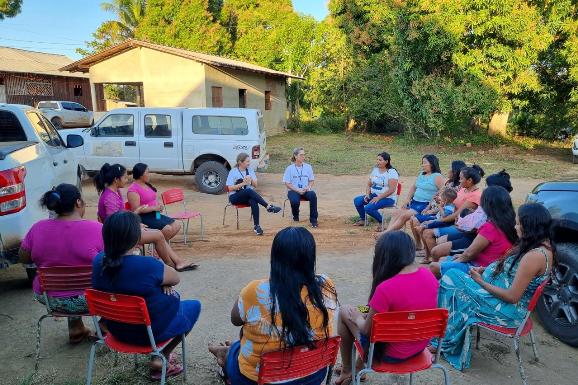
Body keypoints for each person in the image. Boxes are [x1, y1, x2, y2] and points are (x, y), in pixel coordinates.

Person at [208, 227, 337, 385]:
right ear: (311, 257)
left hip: (260, 379)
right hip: (312, 374)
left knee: (243, 338)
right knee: (245, 340)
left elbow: (235, 319)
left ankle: (227, 355)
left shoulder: (255, 290)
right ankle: (228, 352)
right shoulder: (325, 284)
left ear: (275, 257)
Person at [435, 203, 554, 370]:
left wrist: (481, 281)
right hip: (501, 299)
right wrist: (485, 271)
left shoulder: (534, 256)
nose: (515, 226)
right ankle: (443, 335)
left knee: (450, 279)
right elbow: (512, 274)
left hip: (506, 311)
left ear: (530, 226)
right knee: (453, 278)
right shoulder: (538, 246)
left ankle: (445, 342)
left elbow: (513, 296)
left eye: (518, 223)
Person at [92, 211, 202, 380]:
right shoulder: (147, 265)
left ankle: (160, 355)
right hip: (149, 334)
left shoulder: (98, 262)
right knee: (194, 306)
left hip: (116, 331)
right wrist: (163, 281)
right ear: (136, 238)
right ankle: (161, 355)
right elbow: (175, 277)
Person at [334, 231, 439, 385]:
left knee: (345, 311)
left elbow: (367, 331)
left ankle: (347, 370)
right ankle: (357, 368)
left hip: (390, 354)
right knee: (372, 320)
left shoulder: (386, 288)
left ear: (384, 256)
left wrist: (357, 318)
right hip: (418, 347)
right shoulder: (429, 275)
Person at [19, 184, 103, 344]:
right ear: (78, 202)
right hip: (91, 300)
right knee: (114, 275)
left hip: (51, 300)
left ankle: (76, 328)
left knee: (69, 278)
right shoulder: (98, 229)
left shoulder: (37, 228)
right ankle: (105, 325)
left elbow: (24, 258)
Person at [94, 163, 198, 271]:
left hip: (127, 227)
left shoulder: (115, 192)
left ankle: (176, 263)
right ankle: (170, 265)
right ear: (116, 179)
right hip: (120, 235)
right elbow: (115, 223)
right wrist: (136, 219)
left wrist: (135, 222)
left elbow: (121, 215)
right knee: (158, 235)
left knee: (159, 234)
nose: (127, 180)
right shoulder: (110, 197)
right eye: (124, 177)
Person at [429, 186, 518, 278]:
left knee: (433, 266)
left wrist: (457, 260)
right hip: (492, 265)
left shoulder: (491, 226)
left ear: (487, 204)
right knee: (443, 259)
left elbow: (469, 253)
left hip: (480, 268)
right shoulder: (512, 222)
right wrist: (461, 257)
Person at [429, 169, 514, 262]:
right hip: (469, 233)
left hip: (475, 239)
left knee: (437, 253)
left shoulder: (496, 213)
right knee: (439, 245)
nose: (484, 188)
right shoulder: (488, 204)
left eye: (486, 186)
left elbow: (479, 231)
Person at [422, 165, 485, 261]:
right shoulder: (463, 189)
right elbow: (451, 203)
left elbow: (456, 215)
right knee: (424, 227)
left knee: (427, 232)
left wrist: (435, 221)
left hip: (458, 226)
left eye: (461, 178)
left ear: (470, 180)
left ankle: (435, 263)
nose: (459, 181)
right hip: (450, 219)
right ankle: (430, 258)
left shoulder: (475, 196)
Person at [381, 155, 444, 233]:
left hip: (425, 204)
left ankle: (385, 233)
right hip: (414, 202)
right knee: (396, 213)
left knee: (404, 216)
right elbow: (413, 187)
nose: (422, 165)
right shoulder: (421, 174)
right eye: (422, 163)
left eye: (424, 163)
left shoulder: (437, 177)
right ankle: (388, 233)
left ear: (432, 163)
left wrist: (433, 205)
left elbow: (443, 191)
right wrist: (407, 199)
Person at [226, 153, 281, 235]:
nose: (249, 163)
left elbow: (255, 185)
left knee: (253, 200)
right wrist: (243, 184)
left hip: (247, 196)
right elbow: (228, 188)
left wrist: (250, 180)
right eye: (247, 161)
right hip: (234, 197)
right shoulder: (233, 171)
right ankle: (268, 206)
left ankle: (257, 226)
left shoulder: (250, 170)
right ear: (240, 162)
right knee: (249, 191)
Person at [127, 163, 181, 241]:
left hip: (156, 214)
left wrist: (158, 206)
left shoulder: (146, 185)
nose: (149, 175)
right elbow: (136, 209)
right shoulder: (133, 189)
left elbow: (153, 199)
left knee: (176, 225)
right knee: (167, 229)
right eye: (147, 172)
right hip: (144, 217)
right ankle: (160, 247)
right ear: (141, 175)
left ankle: (160, 246)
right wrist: (153, 208)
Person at [353, 152, 399, 227]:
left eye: (380, 160)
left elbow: (392, 189)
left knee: (368, 208)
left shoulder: (391, 172)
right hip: (374, 195)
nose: (378, 162)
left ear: (386, 161)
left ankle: (382, 222)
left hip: (388, 198)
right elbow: (369, 184)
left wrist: (379, 198)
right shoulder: (375, 170)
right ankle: (363, 219)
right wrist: (367, 194)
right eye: (377, 159)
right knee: (357, 200)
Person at [283, 147, 319, 228]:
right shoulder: (290, 168)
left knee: (312, 195)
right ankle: (295, 215)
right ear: (295, 156)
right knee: (295, 201)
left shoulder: (308, 167)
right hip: (293, 190)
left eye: (304, 155)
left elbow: (311, 180)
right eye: (301, 155)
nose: (303, 157)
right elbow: (287, 183)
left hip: (305, 190)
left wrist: (308, 187)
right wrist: (297, 190)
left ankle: (314, 220)